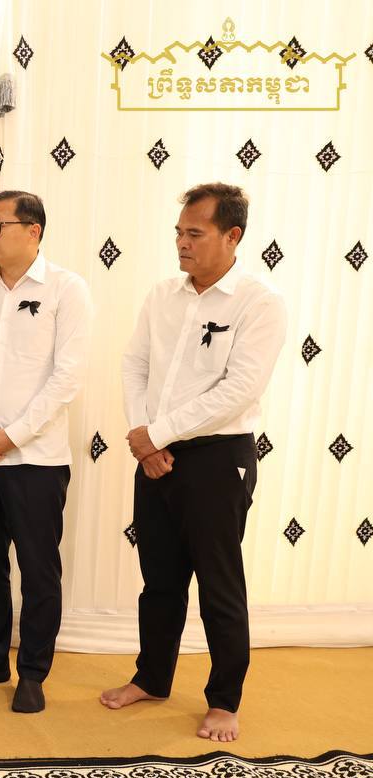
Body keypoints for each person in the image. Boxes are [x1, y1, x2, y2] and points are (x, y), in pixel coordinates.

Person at [100, 183, 286, 742]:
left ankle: (224, 701)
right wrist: (145, 437)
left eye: (195, 234)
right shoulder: (163, 295)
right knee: (159, 579)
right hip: (154, 454)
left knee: (219, 584)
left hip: (218, 458)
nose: (182, 243)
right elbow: (134, 364)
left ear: (232, 236)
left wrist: (155, 434)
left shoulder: (259, 302)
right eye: (179, 232)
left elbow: (239, 389)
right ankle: (151, 678)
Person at [0, 191, 92, 713]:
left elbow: (67, 377)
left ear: (33, 231)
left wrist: (15, 434)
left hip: (36, 460)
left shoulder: (67, 290)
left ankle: (32, 672)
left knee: (38, 568)